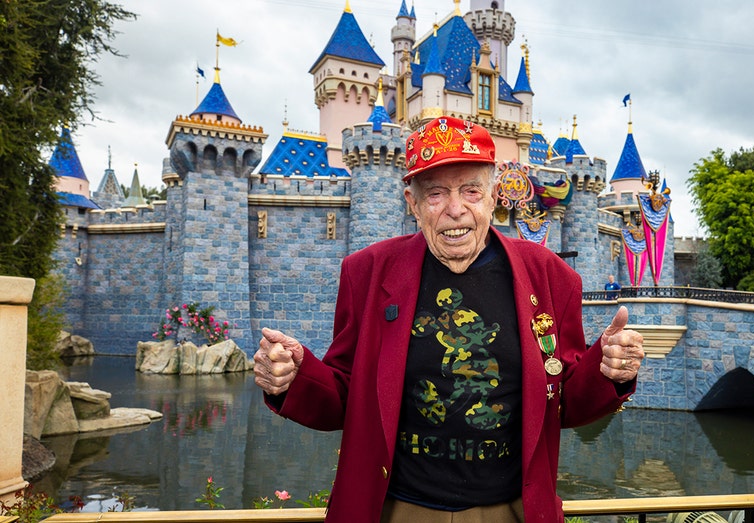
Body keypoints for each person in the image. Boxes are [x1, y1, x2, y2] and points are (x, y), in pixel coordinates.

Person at [254, 116, 645, 523]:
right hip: (399, 509)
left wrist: (609, 371)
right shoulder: (367, 273)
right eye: (436, 194)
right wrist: (294, 379)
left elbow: (563, 401)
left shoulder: (550, 276)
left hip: (510, 510)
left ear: (493, 197)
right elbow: (345, 398)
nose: (455, 210)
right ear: (414, 204)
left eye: (471, 191)